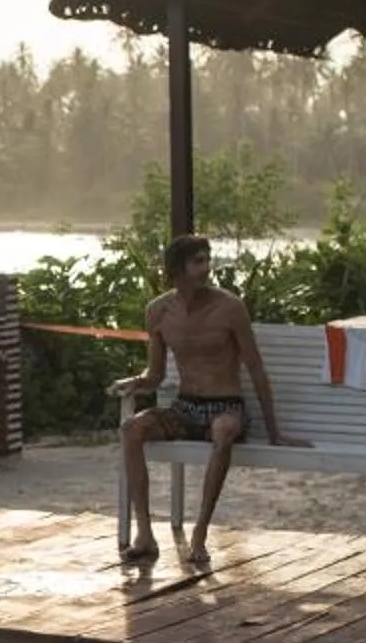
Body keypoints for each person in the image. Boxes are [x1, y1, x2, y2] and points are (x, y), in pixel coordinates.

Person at [112, 235, 308, 571]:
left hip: (225, 405)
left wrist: (274, 431)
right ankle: (144, 534)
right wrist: (136, 382)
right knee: (132, 428)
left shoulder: (229, 307)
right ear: (177, 269)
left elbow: (256, 367)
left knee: (224, 430)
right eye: (197, 261)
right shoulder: (158, 311)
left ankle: (200, 532)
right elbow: (157, 375)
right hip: (186, 408)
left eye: (207, 259)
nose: (206, 268)